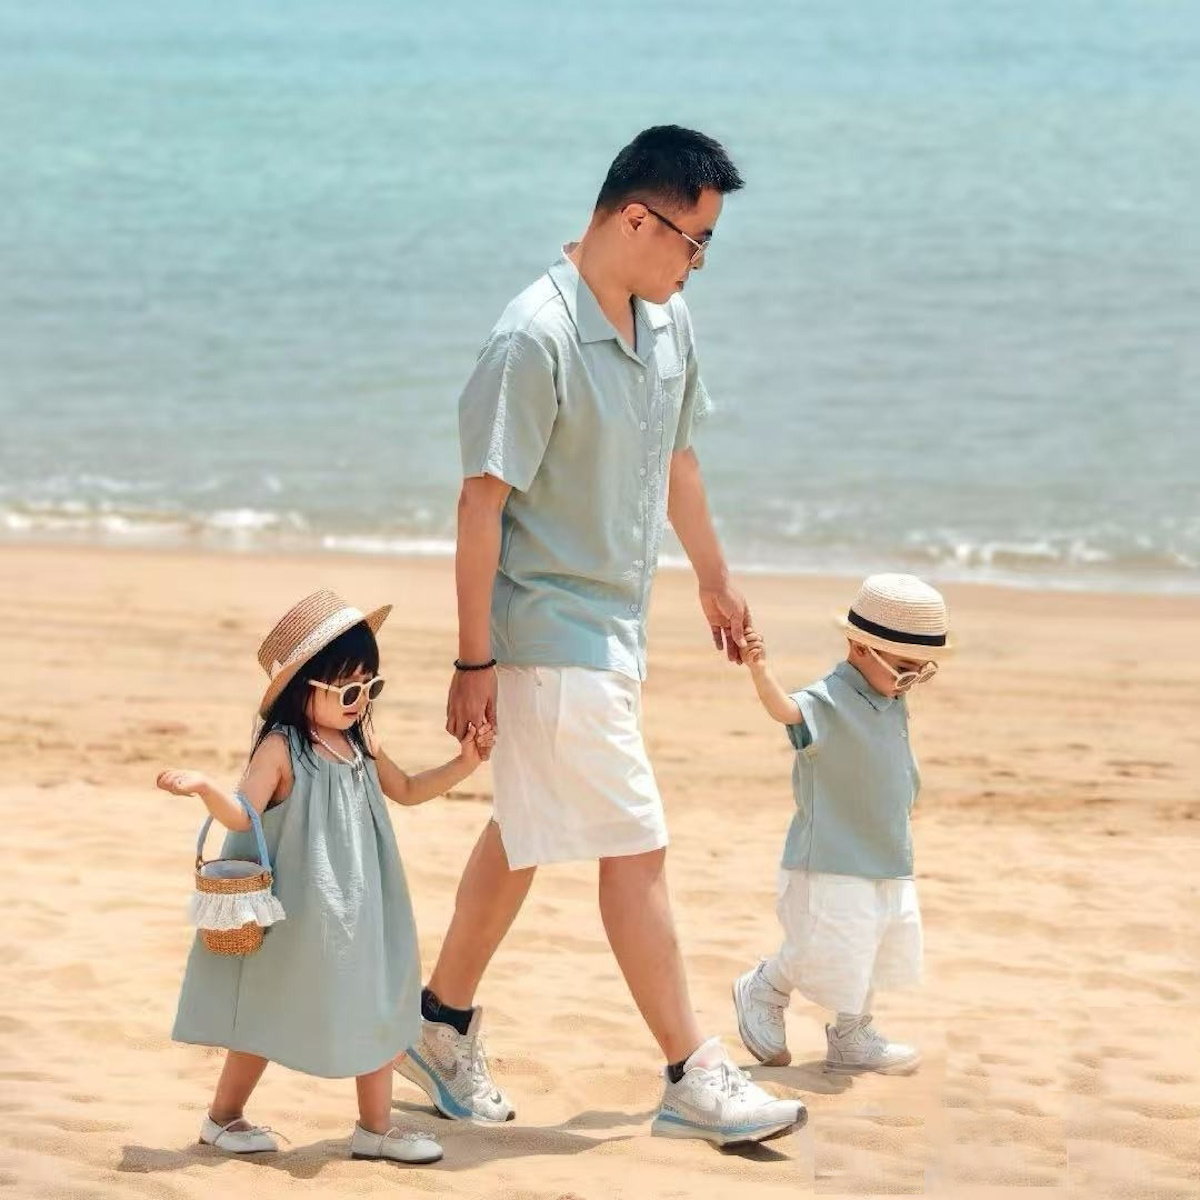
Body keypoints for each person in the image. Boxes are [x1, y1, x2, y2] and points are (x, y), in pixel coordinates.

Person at [395, 125, 806, 1148]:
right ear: (636, 218)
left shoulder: (669, 323)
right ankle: (693, 1070)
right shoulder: (531, 337)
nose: (698, 260)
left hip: (615, 633)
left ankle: (437, 1023)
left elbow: (679, 461)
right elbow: (480, 503)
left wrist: (715, 578)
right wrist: (472, 659)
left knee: (524, 837)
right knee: (636, 842)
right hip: (546, 636)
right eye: (694, 240)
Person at [160, 589, 494, 1164]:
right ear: (303, 688)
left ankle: (375, 1127)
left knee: (377, 1001)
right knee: (269, 1005)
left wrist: (466, 762)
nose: (361, 700)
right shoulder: (281, 746)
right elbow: (244, 813)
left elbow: (408, 791)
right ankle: (222, 1118)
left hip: (366, 901)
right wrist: (206, 788)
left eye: (372, 686)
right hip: (300, 907)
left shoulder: (361, 740)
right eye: (348, 689)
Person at [731, 573, 950, 1075]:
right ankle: (764, 987)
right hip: (831, 854)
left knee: (872, 944)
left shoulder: (892, 700)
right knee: (823, 942)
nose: (908, 682)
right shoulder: (828, 699)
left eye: (920, 672)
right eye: (902, 670)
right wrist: (760, 670)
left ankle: (852, 1033)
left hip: (885, 852)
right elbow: (786, 711)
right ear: (860, 647)